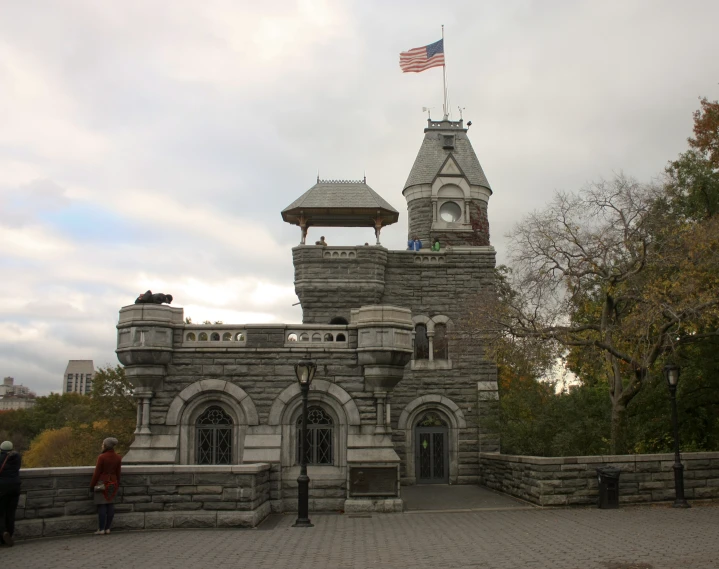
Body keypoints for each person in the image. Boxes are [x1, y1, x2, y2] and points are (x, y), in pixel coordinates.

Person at [90, 437, 122, 535]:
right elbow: (118, 473)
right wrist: (117, 484)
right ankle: (108, 528)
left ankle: (101, 529)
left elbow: (97, 473)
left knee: (102, 506)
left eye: (103, 443)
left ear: (106, 445)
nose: (102, 445)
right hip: (113, 482)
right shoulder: (118, 457)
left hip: (102, 483)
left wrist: (92, 485)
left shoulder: (102, 457)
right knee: (110, 504)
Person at [0, 441, 21, 548]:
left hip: (2, 488)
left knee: (1, 512)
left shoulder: (1, 458)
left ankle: (3, 533)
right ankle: (9, 535)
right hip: (15, 487)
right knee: (11, 512)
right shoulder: (17, 457)